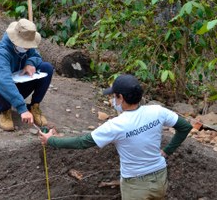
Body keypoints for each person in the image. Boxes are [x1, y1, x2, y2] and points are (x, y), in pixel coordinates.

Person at [39, 74, 192, 200]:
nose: (113, 100)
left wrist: (50, 140)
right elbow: (185, 127)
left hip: (135, 184)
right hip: (160, 177)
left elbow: (82, 142)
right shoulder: (157, 111)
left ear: (121, 98)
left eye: (114, 96)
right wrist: (166, 151)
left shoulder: (117, 125)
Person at [0, 18, 54, 131]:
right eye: (25, 45)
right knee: (0, 82)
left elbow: (37, 56)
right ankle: (4, 110)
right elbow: (4, 81)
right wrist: (22, 109)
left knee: (46, 68)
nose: (28, 48)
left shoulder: (26, 48)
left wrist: (30, 63)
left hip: (17, 86)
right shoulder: (1, 53)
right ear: (15, 39)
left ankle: (34, 106)